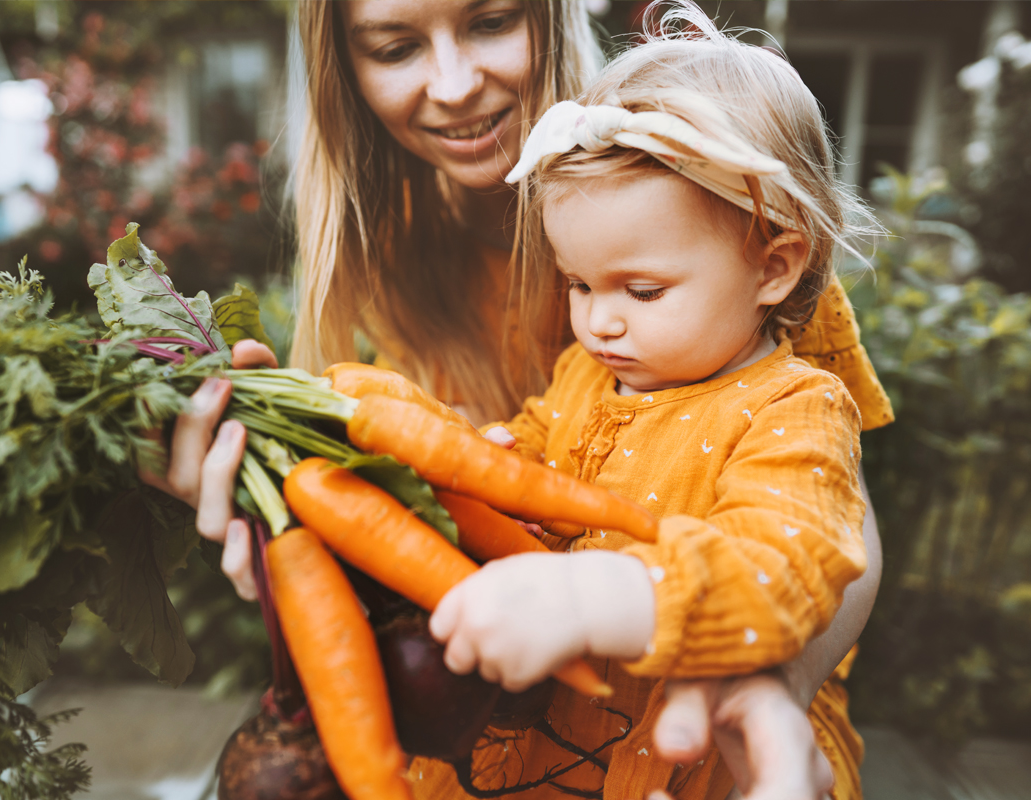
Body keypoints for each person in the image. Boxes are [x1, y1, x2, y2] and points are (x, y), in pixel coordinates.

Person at [142, 2, 890, 798]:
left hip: (702, 760)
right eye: (396, 46)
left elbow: (818, 543)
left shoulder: (723, 204)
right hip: (525, 741)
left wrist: (643, 611)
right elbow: (491, 472)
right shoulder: (564, 356)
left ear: (774, 270)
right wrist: (317, 490)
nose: (598, 319)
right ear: (348, 73)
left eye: (491, 20)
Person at [420, 8, 879, 796]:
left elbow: (787, 571)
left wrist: (608, 592)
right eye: (579, 284)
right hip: (537, 754)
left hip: (683, 766)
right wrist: (482, 463)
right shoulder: (588, 372)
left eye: (642, 289)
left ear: (774, 266)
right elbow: (531, 446)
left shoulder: (796, 409)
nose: (600, 318)